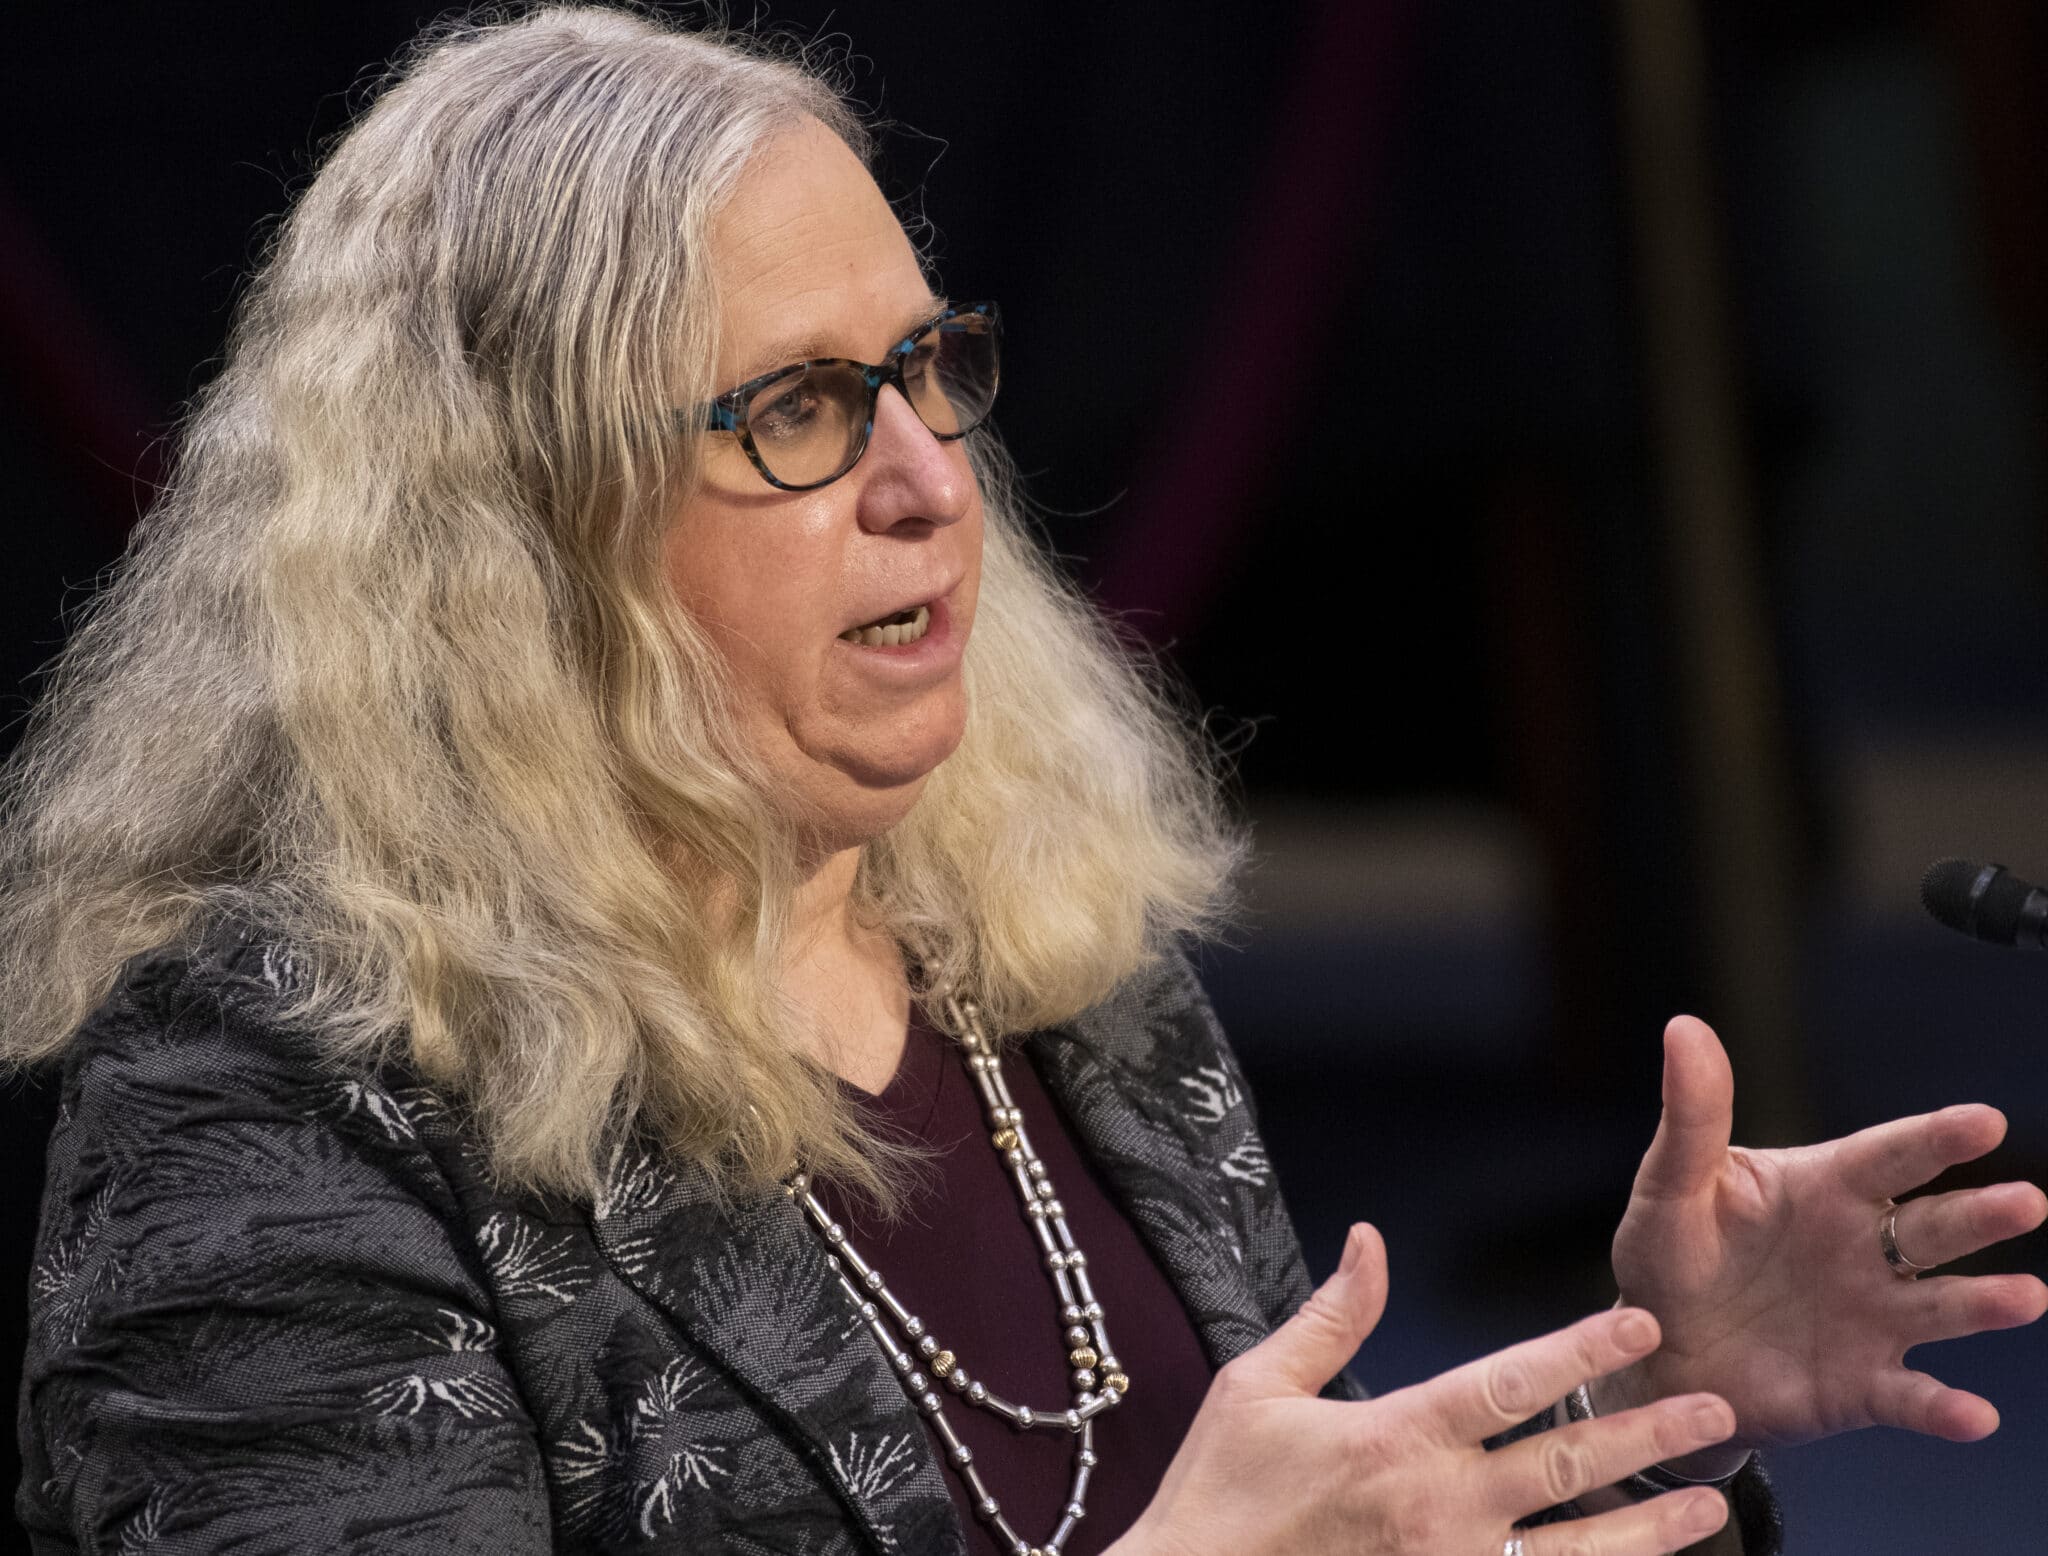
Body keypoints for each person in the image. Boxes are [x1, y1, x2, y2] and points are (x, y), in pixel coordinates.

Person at [6, 9, 2043, 1554]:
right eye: (798, 409)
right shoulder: (258, 1098)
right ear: (516, 534)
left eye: (923, 371)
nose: (923, 481)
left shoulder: (1047, 967)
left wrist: (1640, 1408)